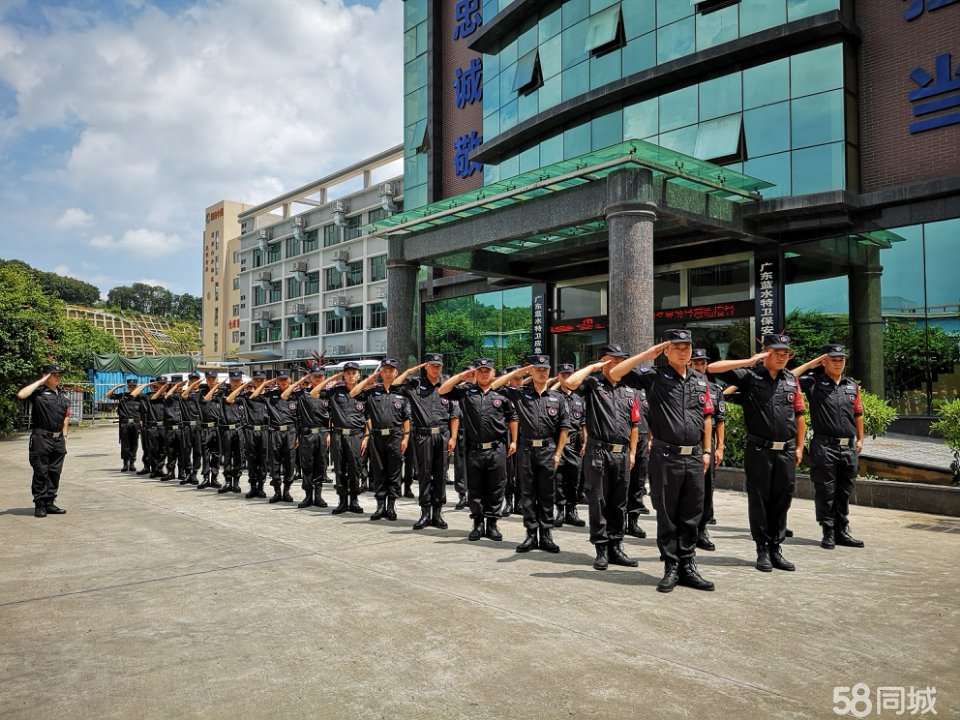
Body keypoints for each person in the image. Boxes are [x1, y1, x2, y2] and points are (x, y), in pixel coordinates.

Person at [611, 332, 716, 593]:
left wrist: (706, 450)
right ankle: (671, 566)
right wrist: (647, 355)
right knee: (668, 514)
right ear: (667, 351)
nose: (683, 352)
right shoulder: (654, 377)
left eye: (687, 347)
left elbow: (705, 416)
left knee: (692, 513)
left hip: (693, 456)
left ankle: (688, 566)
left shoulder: (700, 380)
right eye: (677, 347)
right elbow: (615, 373)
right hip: (665, 456)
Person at [709, 334, 806, 573]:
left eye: (786, 353)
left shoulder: (791, 381)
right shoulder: (749, 377)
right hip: (759, 450)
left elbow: (799, 415)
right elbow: (712, 368)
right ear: (766, 353)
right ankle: (762, 549)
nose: (783, 357)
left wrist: (800, 446)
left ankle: (776, 548)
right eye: (777, 352)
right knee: (760, 500)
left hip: (785, 450)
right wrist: (750, 360)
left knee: (783, 499)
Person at [562, 344, 652, 571]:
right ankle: (601, 549)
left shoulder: (629, 389)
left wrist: (632, 452)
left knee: (618, 503)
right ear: (603, 361)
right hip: (599, 452)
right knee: (599, 502)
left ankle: (616, 546)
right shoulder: (593, 385)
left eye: (621, 360)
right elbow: (569, 384)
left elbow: (634, 425)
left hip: (621, 453)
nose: (618, 364)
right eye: (613, 360)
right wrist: (593, 367)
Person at [793, 344, 866, 550]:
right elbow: (789, 377)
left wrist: (860, 439)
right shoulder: (814, 382)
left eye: (841, 359)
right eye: (833, 359)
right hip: (825, 446)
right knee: (826, 490)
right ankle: (828, 531)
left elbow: (858, 413)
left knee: (844, 491)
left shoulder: (851, 385)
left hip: (848, 447)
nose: (838, 362)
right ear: (824, 361)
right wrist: (813, 363)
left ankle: (842, 530)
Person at [493, 356, 569, 552]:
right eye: (538, 370)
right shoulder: (521, 394)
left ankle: (546, 535)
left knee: (546, 494)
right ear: (531, 373)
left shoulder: (557, 398)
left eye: (545, 369)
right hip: (526, 450)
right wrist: (521, 371)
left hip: (548, 450)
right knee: (527, 494)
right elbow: (495, 385)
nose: (542, 373)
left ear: (549, 372)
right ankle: (530, 534)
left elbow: (564, 428)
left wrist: (558, 453)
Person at [439, 359, 517, 542]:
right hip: (474, 450)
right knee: (475, 489)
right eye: (480, 371)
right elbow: (443, 390)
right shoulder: (467, 392)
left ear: (493, 373)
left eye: (487, 371)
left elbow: (512, 417)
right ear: (476, 373)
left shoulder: (502, 393)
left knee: (496, 488)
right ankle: (477, 524)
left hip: (497, 448)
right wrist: (461, 377)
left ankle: (492, 524)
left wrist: (513, 441)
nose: (484, 374)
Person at [395, 354, 459, 530]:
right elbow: (395, 384)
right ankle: (424, 513)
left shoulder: (447, 386)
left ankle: (437, 514)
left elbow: (454, 415)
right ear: (426, 367)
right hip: (423, 436)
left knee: (440, 475)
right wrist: (410, 370)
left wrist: (453, 437)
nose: (436, 369)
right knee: (424, 474)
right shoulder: (415, 385)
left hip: (443, 436)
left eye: (438, 366)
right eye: (432, 366)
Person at [350, 359, 411, 521]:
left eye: (391, 370)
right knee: (379, 471)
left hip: (396, 436)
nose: (388, 372)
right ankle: (380, 506)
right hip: (377, 437)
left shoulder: (402, 392)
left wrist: (406, 437)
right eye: (385, 370)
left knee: (394, 472)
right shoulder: (372, 391)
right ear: (381, 372)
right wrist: (370, 378)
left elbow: (406, 418)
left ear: (396, 372)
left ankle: (391, 507)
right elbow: (353, 393)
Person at [17, 364, 71, 518]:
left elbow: (65, 416)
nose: (57, 377)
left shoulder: (62, 395)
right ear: (46, 376)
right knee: (41, 471)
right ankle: (40, 504)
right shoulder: (38, 393)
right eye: (54, 375)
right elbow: (21, 394)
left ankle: (50, 502)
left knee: (55, 472)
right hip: (41, 438)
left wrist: (65, 436)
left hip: (58, 439)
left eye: (58, 374)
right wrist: (41, 381)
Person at [283, 369, 340, 509]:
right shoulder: (303, 393)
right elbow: (284, 395)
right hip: (307, 435)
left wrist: (329, 433)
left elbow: (332, 415)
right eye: (315, 376)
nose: (318, 379)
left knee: (320, 465)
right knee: (307, 466)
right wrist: (301, 380)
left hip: (322, 433)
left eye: (320, 376)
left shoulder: (328, 394)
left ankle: (318, 496)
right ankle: (308, 496)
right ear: (311, 377)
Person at [690, 348, 726, 551]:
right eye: (696, 362)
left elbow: (719, 421)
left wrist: (719, 447)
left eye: (703, 362)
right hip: (688, 443)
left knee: (706, 489)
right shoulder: (684, 386)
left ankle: (702, 529)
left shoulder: (714, 390)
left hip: (707, 445)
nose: (700, 366)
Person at [322, 361, 366, 515]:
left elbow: (369, 417)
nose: (351, 375)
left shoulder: (364, 392)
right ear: (343, 375)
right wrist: (333, 377)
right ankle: (342, 501)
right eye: (347, 373)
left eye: (354, 373)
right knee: (339, 469)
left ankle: (354, 500)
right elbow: (314, 393)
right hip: (338, 435)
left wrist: (366, 436)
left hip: (356, 435)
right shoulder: (335, 391)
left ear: (359, 375)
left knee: (355, 469)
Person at [551, 363, 586, 528]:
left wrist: (585, 442)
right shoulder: (552, 396)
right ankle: (559, 510)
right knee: (558, 480)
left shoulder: (579, 399)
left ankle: (571, 511)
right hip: (557, 445)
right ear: (559, 376)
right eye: (564, 375)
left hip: (573, 446)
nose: (567, 378)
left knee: (574, 480)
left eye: (570, 375)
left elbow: (583, 424)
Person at [231, 371, 271, 500]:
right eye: (257, 380)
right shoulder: (246, 396)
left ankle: (261, 487)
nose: (259, 382)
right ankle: (253, 486)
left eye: (262, 380)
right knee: (252, 460)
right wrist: (243, 386)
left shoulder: (270, 396)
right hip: (250, 431)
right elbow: (229, 399)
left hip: (264, 431)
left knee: (263, 459)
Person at [264, 371, 298, 504]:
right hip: (275, 433)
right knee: (275, 463)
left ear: (290, 380)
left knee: (290, 463)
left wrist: (298, 436)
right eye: (280, 380)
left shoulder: (295, 396)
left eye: (285, 380)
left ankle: (287, 491)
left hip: (290, 432)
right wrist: (267, 383)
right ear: (277, 381)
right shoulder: (270, 395)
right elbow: (254, 395)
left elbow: (300, 418)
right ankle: (277, 491)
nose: (283, 382)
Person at [213, 371, 246, 494]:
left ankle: (236, 482)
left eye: (238, 381)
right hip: (226, 430)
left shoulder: (245, 394)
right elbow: (229, 400)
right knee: (227, 457)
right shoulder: (223, 393)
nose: (236, 383)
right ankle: (227, 482)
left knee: (238, 457)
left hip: (238, 429)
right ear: (230, 381)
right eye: (233, 380)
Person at [626, 386, 651, 538]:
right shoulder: (620, 389)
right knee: (622, 482)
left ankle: (633, 521)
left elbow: (651, 416)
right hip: (624, 437)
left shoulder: (644, 391)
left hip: (642, 438)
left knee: (638, 482)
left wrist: (650, 438)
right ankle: (619, 520)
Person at [133, 377, 168, 478]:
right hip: (152, 427)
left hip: (164, 427)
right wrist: (147, 385)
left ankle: (159, 469)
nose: (157, 386)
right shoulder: (147, 397)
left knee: (163, 450)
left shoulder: (168, 396)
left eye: (161, 384)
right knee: (153, 450)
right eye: (155, 385)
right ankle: (154, 470)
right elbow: (134, 394)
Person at [196, 370, 225, 490]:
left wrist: (219, 389)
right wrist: (215, 388)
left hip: (217, 428)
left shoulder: (222, 392)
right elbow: (205, 400)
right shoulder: (201, 392)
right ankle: (205, 478)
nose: (211, 381)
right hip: (205, 428)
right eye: (209, 379)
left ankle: (214, 478)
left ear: (216, 378)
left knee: (217, 455)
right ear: (206, 380)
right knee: (206, 455)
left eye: (213, 379)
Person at [106, 377, 141, 472]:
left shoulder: (140, 397)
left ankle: (132, 463)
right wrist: (117, 386)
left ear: (136, 386)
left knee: (134, 444)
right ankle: (125, 463)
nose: (132, 388)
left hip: (135, 423)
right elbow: (108, 395)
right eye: (130, 386)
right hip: (125, 423)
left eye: (134, 386)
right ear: (128, 386)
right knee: (125, 444)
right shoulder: (123, 396)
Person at [501, 364, 522, 516]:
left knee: (521, 472)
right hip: (507, 436)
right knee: (508, 471)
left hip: (523, 436)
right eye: (515, 378)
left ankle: (519, 502)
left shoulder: (525, 393)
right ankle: (508, 502)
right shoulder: (502, 393)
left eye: (520, 378)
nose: (519, 381)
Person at [161, 375, 188, 482]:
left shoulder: (185, 395)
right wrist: (174, 386)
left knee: (182, 452)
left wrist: (182, 388)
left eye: (180, 384)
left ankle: (181, 472)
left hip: (181, 428)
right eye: (177, 384)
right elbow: (167, 395)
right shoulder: (168, 395)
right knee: (170, 452)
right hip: (170, 428)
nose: (179, 387)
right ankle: (171, 472)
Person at [178, 372, 203, 486]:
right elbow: (183, 396)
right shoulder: (185, 393)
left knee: (197, 451)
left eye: (196, 380)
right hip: (187, 426)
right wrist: (190, 386)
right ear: (189, 381)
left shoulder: (202, 393)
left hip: (198, 426)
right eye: (192, 380)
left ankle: (194, 473)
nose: (195, 382)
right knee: (186, 450)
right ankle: (187, 472)